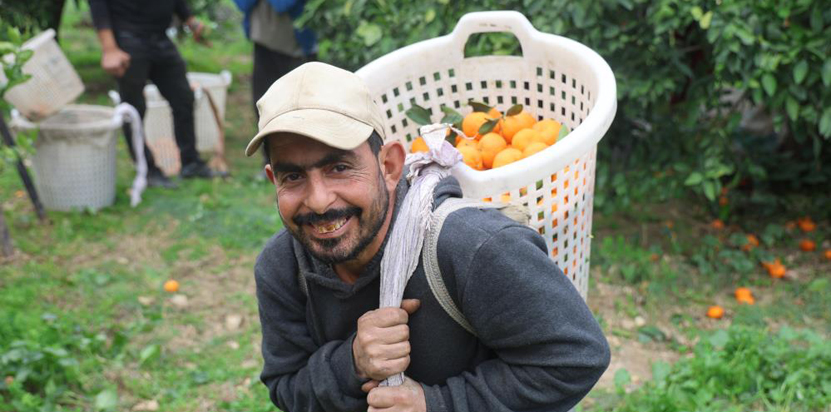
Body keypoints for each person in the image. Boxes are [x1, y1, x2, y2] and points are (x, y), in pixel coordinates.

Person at [247, 62, 610, 412]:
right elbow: (286, 385)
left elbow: (574, 358)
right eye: (292, 177)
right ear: (272, 180)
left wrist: (436, 404)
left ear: (389, 165)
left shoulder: (472, 245)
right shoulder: (283, 265)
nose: (319, 200)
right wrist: (353, 362)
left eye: (339, 168)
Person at [89, 0, 218, 187]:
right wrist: (109, 48)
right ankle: (147, 170)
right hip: (127, 39)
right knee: (134, 109)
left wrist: (190, 20)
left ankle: (191, 163)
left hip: (160, 38)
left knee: (183, 97)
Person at [231, 0, 317, 170]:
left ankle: (306, 158)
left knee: (302, 103)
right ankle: (273, 160)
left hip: (294, 38)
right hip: (265, 36)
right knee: (264, 102)